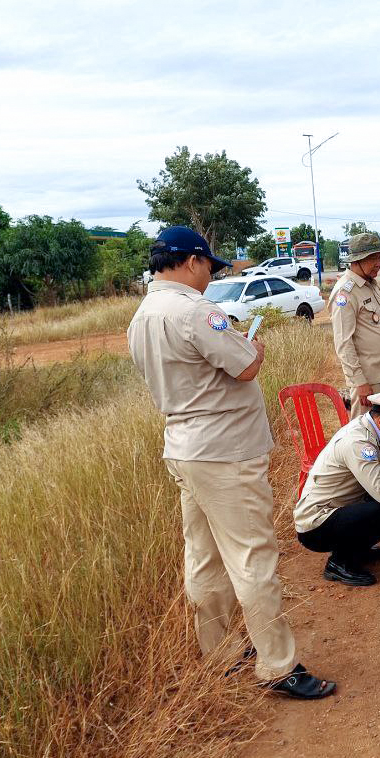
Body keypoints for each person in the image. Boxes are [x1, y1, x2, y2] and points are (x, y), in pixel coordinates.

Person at [127, 225, 335, 700]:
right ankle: (278, 666)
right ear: (192, 261)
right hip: (224, 452)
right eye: (208, 267)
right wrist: (252, 346)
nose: (208, 277)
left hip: (184, 445)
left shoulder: (143, 314)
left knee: (202, 556)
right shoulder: (195, 310)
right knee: (252, 558)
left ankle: (218, 652)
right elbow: (245, 365)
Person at [293, 390, 380, 587]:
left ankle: (357, 550)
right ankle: (339, 563)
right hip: (316, 524)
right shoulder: (358, 442)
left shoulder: (369, 430)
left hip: (337, 510)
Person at [331, 231, 380, 470]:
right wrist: (359, 382)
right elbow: (344, 343)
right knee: (367, 446)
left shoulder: (370, 284)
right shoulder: (345, 292)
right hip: (369, 385)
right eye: (372, 258)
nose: (378, 263)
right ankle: (366, 499)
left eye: (379, 256)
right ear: (356, 260)